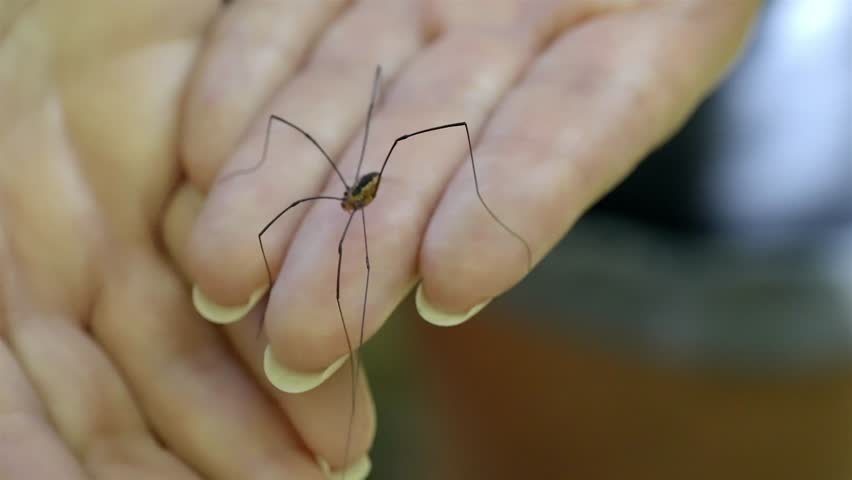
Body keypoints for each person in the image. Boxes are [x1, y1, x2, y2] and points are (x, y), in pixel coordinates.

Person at [0, 1, 762, 478]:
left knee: (399, 236)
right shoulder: (335, 184)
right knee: (287, 215)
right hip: (354, 181)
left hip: (719, 175)